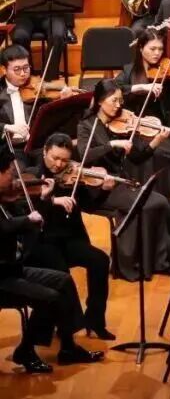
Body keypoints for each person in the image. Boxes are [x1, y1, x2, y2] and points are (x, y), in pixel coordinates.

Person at [0, 152, 104, 374]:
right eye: (9, 172)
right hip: (2, 276)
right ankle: (27, 350)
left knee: (63, 280)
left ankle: (68, 347)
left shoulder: (7, 198)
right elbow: (7, 226)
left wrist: (44, 199)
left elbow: (30, 218)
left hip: (13, 267)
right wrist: (26, 220)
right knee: (50, 297)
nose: (13, 178)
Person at [76, 79, 170, 281]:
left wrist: (156, 141)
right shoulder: (86, 126)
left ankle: (157, 262)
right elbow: (85, 154)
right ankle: (131, 265)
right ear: (100, 101)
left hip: (121, 183)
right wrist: (111, 145)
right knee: (148, 204)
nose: (119, 105)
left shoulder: (120, 124)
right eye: (114, 100)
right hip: (99, 188)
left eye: (121, 100)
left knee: (161, 202)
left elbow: (137, 157)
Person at [23, 133, 113, 340]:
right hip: (44, 243)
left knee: (100, 260)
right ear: (45, 152)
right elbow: (26, 211)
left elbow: (90, 206)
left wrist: (105, 190)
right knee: (62, 275)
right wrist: (50, 200)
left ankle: (95, 320)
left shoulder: (74, 175)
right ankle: (67, 333)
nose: (59, 164)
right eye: (55, 158)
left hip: (70, 240)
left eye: (64, 160)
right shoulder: (32, 176)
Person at [117, 28, 170, 198]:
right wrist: (141, 87)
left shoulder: (165, 71)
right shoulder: (129, 71)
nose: (157, 53)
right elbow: (112, 90)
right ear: (141, 48)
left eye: (160, 49)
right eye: (152, 49)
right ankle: (157, 195)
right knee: (165, 153)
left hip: (162, 129)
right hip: (137, 130)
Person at [0, 45, 75, 153]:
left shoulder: (37, 90)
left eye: (26, 68)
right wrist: (7, 127)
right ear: (4, 69)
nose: (23, 74)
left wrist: (63, 102)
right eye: (17, 69)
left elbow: (51, 120)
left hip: (37, 146)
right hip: (8, 150)